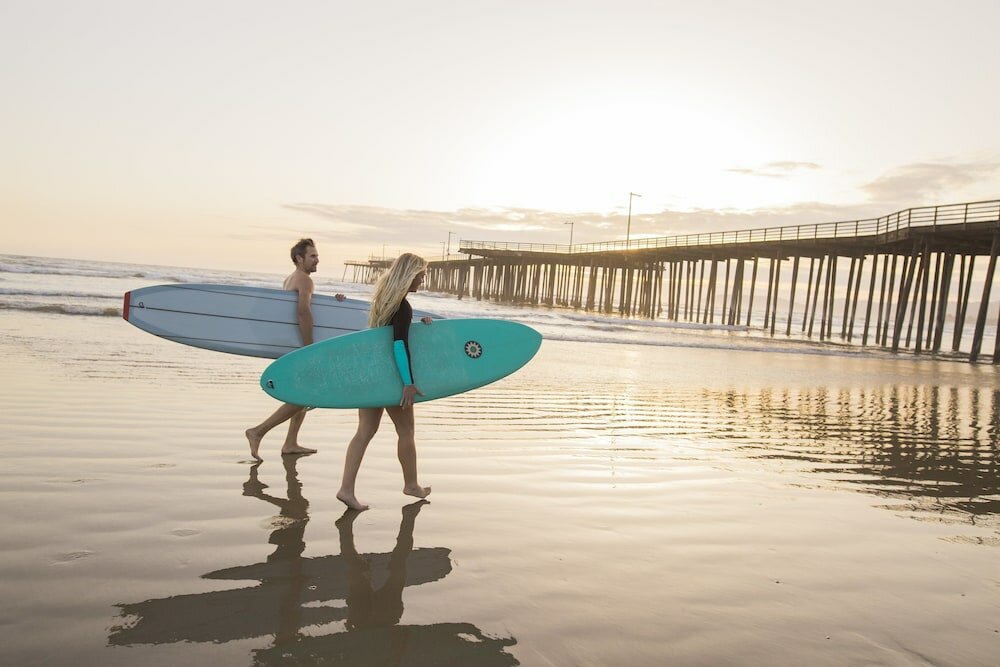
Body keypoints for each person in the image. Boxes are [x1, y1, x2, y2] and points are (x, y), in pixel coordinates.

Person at [337, 253, 433, 510]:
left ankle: (346, 489)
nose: (422, 281)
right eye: (421, 276)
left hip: (372, 374)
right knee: (406, 432)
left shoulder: (384, 300)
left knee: (364, 432)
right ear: (410, 274)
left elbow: (392, 333)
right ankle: (411, 484)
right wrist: (408, 382)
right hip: (393, 378)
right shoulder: (403, 306)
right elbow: (399, 343)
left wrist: (422, 328)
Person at [246, 238, 344, 461]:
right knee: (305, 394)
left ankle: (290, 442)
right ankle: (258, 431)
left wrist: (336, 304)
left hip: (291, 345)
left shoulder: (290, 279)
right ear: (299, 259)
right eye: (313, 256)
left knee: (303, 391)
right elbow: (303, 312)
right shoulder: (305, 280)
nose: (317, 259)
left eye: (317, 255)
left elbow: (304, 308)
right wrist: (308, 347)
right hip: (301, 345)